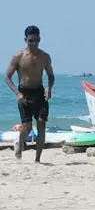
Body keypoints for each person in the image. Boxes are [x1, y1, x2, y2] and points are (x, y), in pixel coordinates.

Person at [4, 25, 54, 163]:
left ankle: (37, 159)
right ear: (26, 40)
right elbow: (7, 76)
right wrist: (17, 93)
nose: (33, 43)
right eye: (31, 40)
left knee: (41, 123)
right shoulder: (18, 56)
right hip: (24, 93)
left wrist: (49, 88)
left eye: (36, 40)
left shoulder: (44, 57)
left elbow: (51, 75)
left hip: (39, 93)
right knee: (27, 128)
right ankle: (19, 143)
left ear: (40, 39)